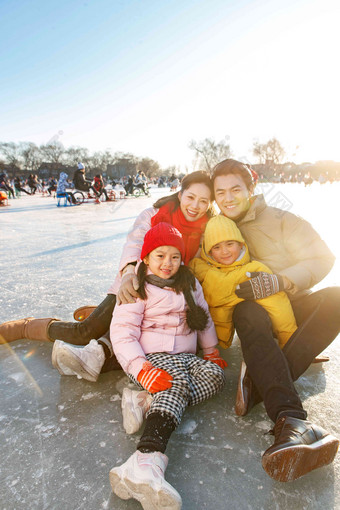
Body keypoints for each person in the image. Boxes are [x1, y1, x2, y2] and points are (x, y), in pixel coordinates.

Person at [0, 171, 214, 378]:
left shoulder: (207, 229)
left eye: (203, 201)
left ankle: (107, 323)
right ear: (180, 195)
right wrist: (130, 275)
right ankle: (26, 327)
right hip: (137, 286)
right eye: (191, 197)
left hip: (169, 299)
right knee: (84, 332)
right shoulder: (153, 215)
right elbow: (134, 244)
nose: (196, 206)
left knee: (166, 348)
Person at [210, 158, 339, 482]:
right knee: (248, 313)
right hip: (251, 311)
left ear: (251, 187)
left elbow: (322, 257)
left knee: (336, 298)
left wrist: (281, 280)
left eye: (235, 189)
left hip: (290, 302)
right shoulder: (217, 227)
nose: (227, 198)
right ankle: (291, 420)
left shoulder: (282, 219)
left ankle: (257, 381)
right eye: (220, 192)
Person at [108, 222, 226, 509]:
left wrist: (210, 350)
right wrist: (141, 370)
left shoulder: (190, 283)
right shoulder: (138, 287)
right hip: (152, 357)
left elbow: (203, 315)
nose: (167, 263)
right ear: (146, 257)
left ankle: (147, 402)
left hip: (186, 354)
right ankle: (145, 458)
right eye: (160, 256)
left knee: (215, 377)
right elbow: (123, 332)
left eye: (174, 256)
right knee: (175, 385)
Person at [189, 215, 297, 351]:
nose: (225, 251)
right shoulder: (199, 269)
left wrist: (288, 338)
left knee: (251, 312)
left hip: (247, 327)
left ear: (240, 244)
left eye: (230, 244)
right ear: (209, 252)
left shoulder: (253, 270)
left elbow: (278, 304)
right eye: (216, 247)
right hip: (207, 340)